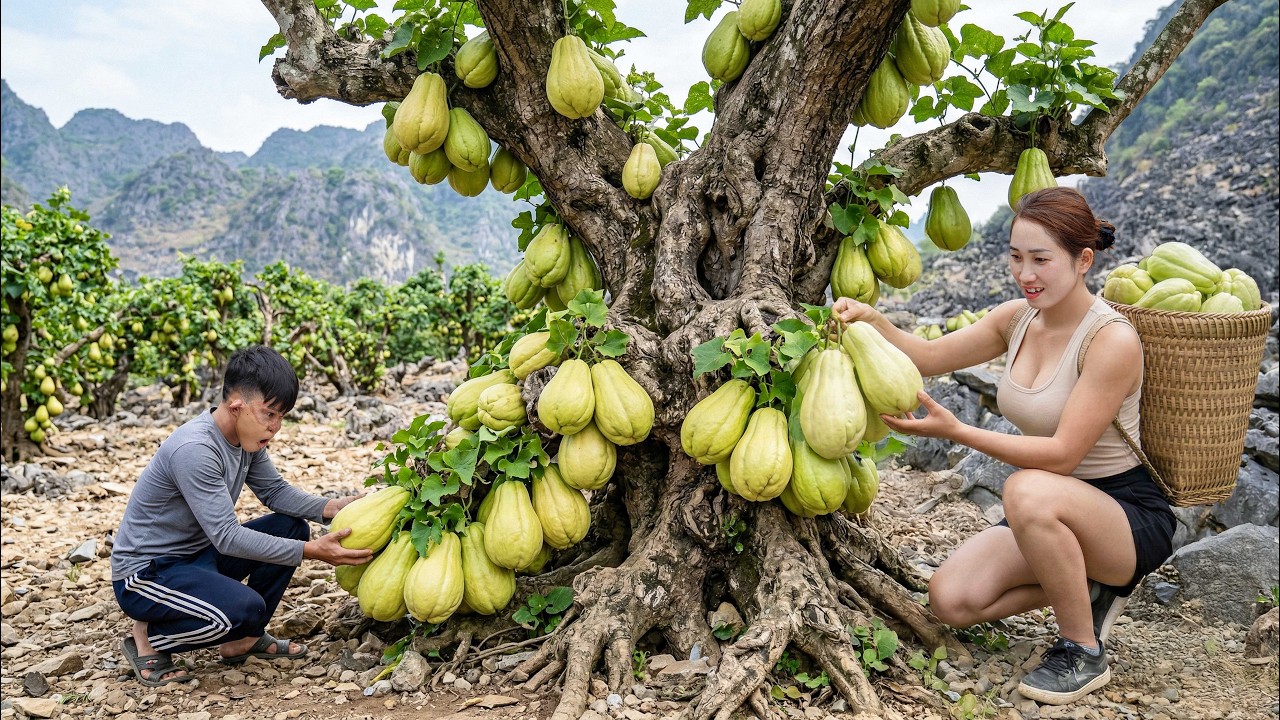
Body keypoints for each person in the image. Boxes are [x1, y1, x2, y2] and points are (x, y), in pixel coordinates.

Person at [833, 187, 1175, 706]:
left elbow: (1062, 455)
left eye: (1041, 259)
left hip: (1125, 514)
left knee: (1027, 491)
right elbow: (926, 357)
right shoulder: (1016, 319)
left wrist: (957, 432)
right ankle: (1089, 588)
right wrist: (872, 320)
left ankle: (1082, 649)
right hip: (1051, 507)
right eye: (1016, 257)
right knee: (950, 600)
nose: (1025, 274)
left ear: (1083, 260)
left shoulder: (1111, 340)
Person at [110, 345, 373, 686]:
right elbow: (227, 536)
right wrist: (313, 552)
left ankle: (242, 640)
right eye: (269, 414)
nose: (276, 427)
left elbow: (275, 493)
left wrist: (332, 508)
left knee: (290, 527)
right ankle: (148, 637)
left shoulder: (246, 439)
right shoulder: (195, 449)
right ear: (237, 407)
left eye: (282, 416)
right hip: (146, 575)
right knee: (243, 610)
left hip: (195, 558)